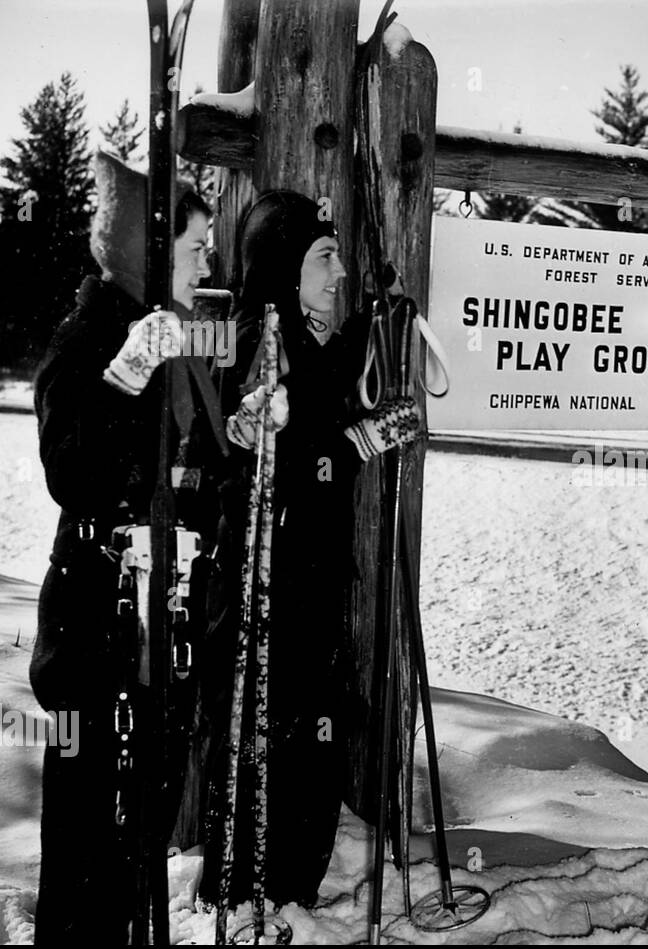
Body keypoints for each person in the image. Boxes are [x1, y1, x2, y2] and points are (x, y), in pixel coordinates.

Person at [199, 190, 422, 911]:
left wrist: (382, 334)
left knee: (312, 766)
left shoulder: (313, 351)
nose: (338, 274)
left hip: (313, 603)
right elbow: (266, 450)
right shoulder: (249, 350)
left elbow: (330, 408)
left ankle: (289, 900)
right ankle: (241, 904)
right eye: (323, 259)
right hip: (259, 606)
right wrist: (348, 437)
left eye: (338, 260)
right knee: (261, 769)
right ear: (283, 272)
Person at [30, 150, 224, 945]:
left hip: (158, 625)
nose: (207, 261)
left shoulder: (177, 338)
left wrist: (243, 437)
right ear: (150, 253)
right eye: (193, 247)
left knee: (138, 830)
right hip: (94, 621)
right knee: (88, 839)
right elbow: (72, 468)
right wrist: (124, 374)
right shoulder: (85, 342)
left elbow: (196, 473)